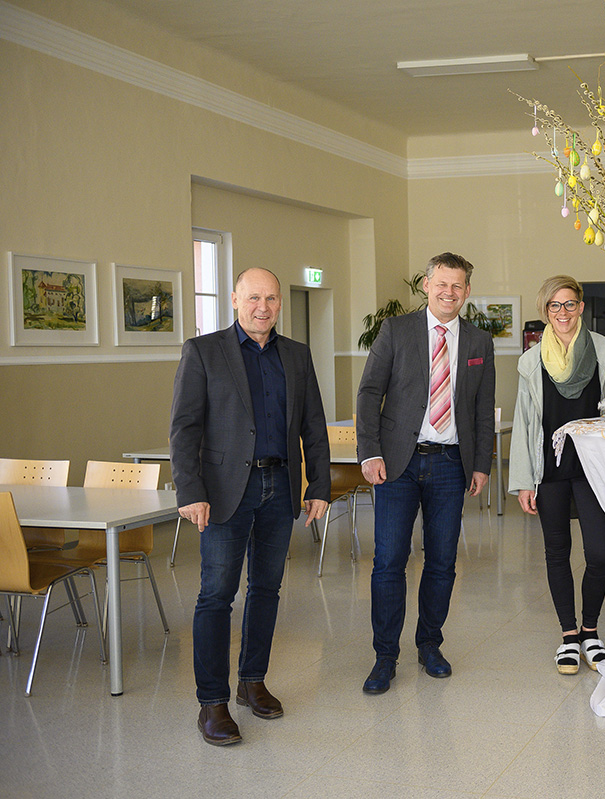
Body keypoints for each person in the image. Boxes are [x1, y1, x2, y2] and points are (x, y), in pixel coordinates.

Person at [170, 267, 331, 746]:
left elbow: (314, 426)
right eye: (254, 297)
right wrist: (190, 490)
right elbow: (184, 429)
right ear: (236, 299)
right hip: (222, 492)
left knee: (266, 589)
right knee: (216, 594)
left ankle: (252, 682)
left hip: (279, 486)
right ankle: (212, 702)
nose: (263, 307)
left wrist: (319, 485)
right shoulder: (203, 351)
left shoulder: (297, 356)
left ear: (280, 304)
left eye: (272, 299)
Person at [356, 252, 495, 692]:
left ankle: (429, 644)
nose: (448, 292)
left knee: (441, 562)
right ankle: (384, 655)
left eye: (457, 286)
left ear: (467, 291)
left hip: (452, 464)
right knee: (389, 562)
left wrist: (482, 464)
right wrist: (369, 452)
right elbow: (369, 393)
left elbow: (482, 408)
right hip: (398, 463)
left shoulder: (478, 341)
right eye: (441, 284)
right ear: (426, 285)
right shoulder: (396, 331)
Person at [509, 275, 605, 675]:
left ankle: (591, 629)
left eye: (570, 304)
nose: (563, 313)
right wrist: (523, 481)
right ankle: (569, 636)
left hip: (593, 471)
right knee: (556, 552)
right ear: (545, 311)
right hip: (549, 471)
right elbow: (524, 423)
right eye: (555, 306)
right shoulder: (530, 361)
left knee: (600, 554)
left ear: (581, 307)